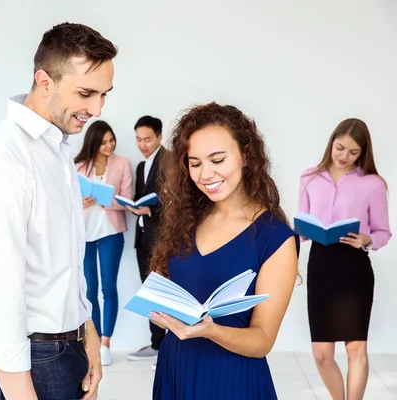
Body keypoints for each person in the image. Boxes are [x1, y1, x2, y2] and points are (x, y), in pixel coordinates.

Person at [0, 22, 117, 400]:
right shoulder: (2, 160)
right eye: (86, 93)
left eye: (104, 94)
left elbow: (61, 262)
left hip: (63, 348)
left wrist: (87, 330)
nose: (97, 109)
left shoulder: (57, 146)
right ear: (44, 81)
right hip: (27, 361)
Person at [148, 103, 299, 399]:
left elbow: (262, 341)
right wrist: (159, 311)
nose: (206, 174)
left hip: (230, 378)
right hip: (176, 366)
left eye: (217, 159)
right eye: (195, 163)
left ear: (245, 156)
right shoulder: (186, 220)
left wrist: (210, 330)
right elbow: (165, 287)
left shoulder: (274, 238)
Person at [298, 118, 391, 400]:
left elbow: (383, 231)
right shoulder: (309, 178)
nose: (344, 156)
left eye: (353, 152)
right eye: (340, 148)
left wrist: (368, 239)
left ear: (363, 153)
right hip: (321, 266)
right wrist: (300, 233)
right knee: (322, 354)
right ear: (331, 143)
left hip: (354, 269)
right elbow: (301, 226)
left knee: (356, 349)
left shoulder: (373, 184)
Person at [74, 120, 133, 366]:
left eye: (112, 140)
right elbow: (66, 202)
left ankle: (107, 342)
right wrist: (81, 202)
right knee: (89, 291)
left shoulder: (122, 164)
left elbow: (128, 200)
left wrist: (106, 200)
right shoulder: (78, 166)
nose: (109, 145)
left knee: (108, 287)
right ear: (94, 142)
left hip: (111, 232)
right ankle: (95, 341)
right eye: (104, 141)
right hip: (85, 235)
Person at [126, 115, 168, 364]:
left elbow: (178, 200)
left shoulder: (170, 161)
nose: (142, 144)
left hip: (162, 238)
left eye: (148, 139)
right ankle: (157, 344)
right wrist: (132, 206)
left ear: (160, 137)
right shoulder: (142, 166)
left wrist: (150, 210)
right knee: (149, 293)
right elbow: (140, 197)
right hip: (143, 237)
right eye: (138, 140)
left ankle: (168, 347)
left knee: (164, 292)